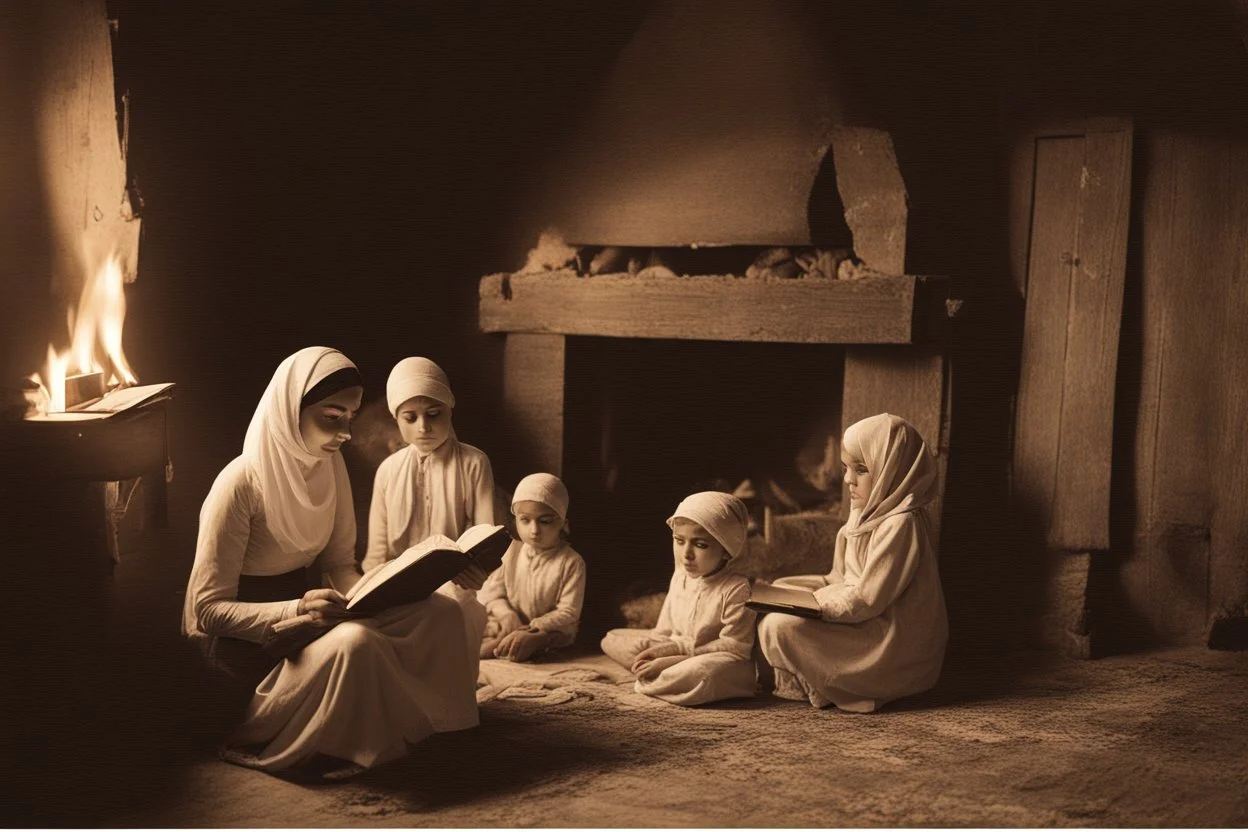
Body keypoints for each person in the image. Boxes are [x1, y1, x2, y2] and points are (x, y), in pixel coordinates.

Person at [181, 346, 482, 777]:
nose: (345, 433)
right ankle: (345, 747)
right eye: (331, 417)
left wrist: (377, 592)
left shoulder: (329, 464)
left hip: (312, 621)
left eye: (350, 417)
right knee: (358, 643)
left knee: (440, 612)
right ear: (291, 411)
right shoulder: (239, 485)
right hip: (245, 655)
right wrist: (297, 609)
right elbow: (206, 611)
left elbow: (341, 563)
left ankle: (437, 729)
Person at [757, 412, 949, 713]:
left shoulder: (901, 524)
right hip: (860, 611)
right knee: (777, 597)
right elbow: (839, 577)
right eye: (846, 468)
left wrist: (816, 608)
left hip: (890, 636)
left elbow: (869, 598)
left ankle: (843, 683)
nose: (847, 479)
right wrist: (782, 592)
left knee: (782, 626)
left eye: (861, 470)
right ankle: (815, 678)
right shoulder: (865, 511)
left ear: (891, 470)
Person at [361, 356, 495, 663]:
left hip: (455, 586)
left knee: (451, 615)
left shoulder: (474, 463)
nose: (423, 427)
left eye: (434, 414)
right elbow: (377, 552)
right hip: (396, 589)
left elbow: (483, 537)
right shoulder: (388, 470)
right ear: (397, 420)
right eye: (410, 418)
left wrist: (476, 571)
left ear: (449, 409)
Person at [600, 491, 757, 706]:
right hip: (676, 646)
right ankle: (653, 671)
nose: (686, 555)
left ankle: (662, 674)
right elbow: (664, 632)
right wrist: (657, 650)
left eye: (700, 545)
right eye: (679, 541)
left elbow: (736, 646)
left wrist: (674, 658)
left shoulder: (736, 588)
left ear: (727, 550)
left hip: (717, 658)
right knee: (611, 638)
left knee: (703, 673)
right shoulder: (681, 574)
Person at [477, 473, 586, 662]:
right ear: (516, 521)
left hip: (546, 630)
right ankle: (503, 642)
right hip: (511, 623)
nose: (534, 530)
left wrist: (534, 627)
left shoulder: (571, 562)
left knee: (518, 647)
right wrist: (507, 615)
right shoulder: (512, 552)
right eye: (525, 520)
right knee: (470, 633)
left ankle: (514, 644)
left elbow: (569, 611)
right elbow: (491, 593)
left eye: (545, 521)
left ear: (563, 523)